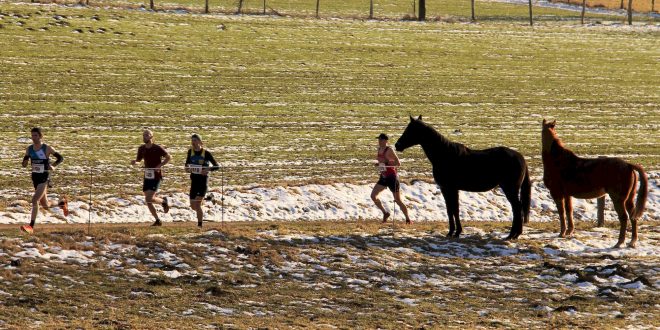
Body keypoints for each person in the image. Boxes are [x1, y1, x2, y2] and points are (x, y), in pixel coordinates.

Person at [20, 127, 68, 234]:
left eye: (36, 135)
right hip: (35, 177)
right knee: (45, 205)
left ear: (40, 136)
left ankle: (31, 226)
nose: (33, 138)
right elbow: (24, 163)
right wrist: (25, 162)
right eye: (32, 135)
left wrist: (53, 166)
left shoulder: (47, 148)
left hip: (44, 177)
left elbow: (60, 158)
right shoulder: (29, 149)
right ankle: (61, 203)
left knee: (34, 200)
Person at [131, 129, 172, 226]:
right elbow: (138, 160)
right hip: (147, 175)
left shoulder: (157, 148)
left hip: (156, 176)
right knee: (148, 200)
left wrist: (160, 165)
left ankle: (164, 201)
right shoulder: (141, 148)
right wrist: (135, 162)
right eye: (143, 135)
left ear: (151, 136)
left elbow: (169, 157)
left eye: (146, 135)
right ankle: (157, 220)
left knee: (149, 198)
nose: (144, 136)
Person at [371, 133, 412, 224]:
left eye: (381, 139)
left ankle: (408, 218)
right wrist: (380, 166)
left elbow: (398, 163)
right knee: (373, 196)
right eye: (378, 139)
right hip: (383, 177)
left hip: (392, 177)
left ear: (386, 141)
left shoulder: (389, 150)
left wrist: (386, 164)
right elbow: (382, 162)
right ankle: (385, 213)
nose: (379, 141)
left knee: (397, 200)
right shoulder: (379, 149)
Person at [184, 134, 220, 227]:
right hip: (194, 182)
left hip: (203, 182)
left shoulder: (206, 153)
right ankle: (208, 199)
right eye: (192, 140)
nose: (193, 142)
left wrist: (207, 169)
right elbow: (187, 164)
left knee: (197, 204)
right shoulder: (190, 152)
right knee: (193, 206)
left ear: (200, 142)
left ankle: (199, 225)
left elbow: (217, 166)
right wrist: (187, 168)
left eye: (195, 140)